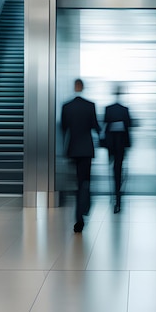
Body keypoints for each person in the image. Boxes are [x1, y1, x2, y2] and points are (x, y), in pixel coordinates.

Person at [61, 78, 100, 233]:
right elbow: (95, 126)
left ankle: (79, 217)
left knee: (77, 181)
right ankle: (85, 206)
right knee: (85, 180)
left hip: (73, 149)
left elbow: (64, 128)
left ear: (74, 87)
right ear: (83, 87)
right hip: (87, 149)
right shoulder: (90, 106)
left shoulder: (67, 107)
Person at [103, 85, 132, 214]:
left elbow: (104, 125)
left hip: (111, 145)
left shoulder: (108, 109)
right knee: (119, 170)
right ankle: (118, 198)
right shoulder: (125, 110)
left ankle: (115, 197)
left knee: (113, 170)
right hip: (121, 145)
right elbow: (129, 125)